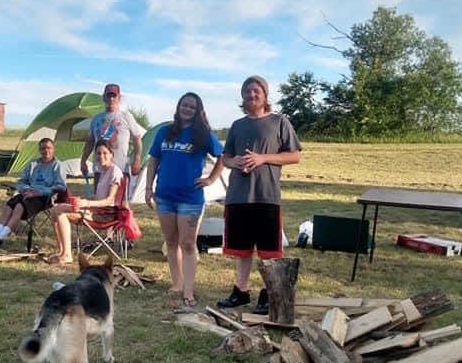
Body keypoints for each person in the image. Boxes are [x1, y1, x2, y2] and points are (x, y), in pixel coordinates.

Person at [216, 75, 301, 313]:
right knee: (242, 249)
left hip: (266, 195)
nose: (252, 95)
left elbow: (294, 156)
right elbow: (225, 158)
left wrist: (262, 158)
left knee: (268, 251)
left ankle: (268, 293)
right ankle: (240, 291)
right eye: (247, 91)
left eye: (256, 91)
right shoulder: (237, 125)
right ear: (242, 96)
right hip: (239, 196)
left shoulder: (279, 121)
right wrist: (236, 162)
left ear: (265, 95)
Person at [144, 93, 224, 310]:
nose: (187, 109)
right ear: (178, 106)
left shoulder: (203, 134)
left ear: (198, 111)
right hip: (164, 196)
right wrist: (149, 187)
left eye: (192, 106)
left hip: (190, 198)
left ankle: (189, 289)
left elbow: (222, 157)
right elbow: (153, 161)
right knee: (171, 242)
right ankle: (177, 283)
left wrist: (210, 179)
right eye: (184, 104)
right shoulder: (164, 132)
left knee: (187, 244)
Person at [0, 138, 67, 251]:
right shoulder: (33, 164)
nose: (46, 151)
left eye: (48, 148)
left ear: (53, 149)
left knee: (19, 207)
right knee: (9, 205)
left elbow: (61, 186)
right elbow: (22, 181)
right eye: (43, 148)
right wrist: (25, 190)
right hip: (28, 193)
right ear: (39, 150)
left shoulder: (58, 165)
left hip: (45, 197)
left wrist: (39, 192)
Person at [46, 139, 122, 265]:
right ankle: (61, 251)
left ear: (111, 154)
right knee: (55, 209)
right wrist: (82, 202)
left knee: (61, 214)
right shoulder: (104, 171)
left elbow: (109, 200)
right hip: (97, 210)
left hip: (106, 215)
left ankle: (67, 255)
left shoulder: (115, 172)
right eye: (98, 153)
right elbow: (99, 199)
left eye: (105, 153)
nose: (101, 156)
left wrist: (87, 203)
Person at [80, 83, 145, 183]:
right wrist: (83, 161)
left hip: (120, 168)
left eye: (114, 96)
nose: (111, 99)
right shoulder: (96, 119)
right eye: (108, 95)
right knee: (100, 198)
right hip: (100, 169)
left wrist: (137, 159)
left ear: (119, 98)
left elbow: (137, 139)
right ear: (103, 97)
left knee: (119, 199)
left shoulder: (126, 117)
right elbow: (90, 142)